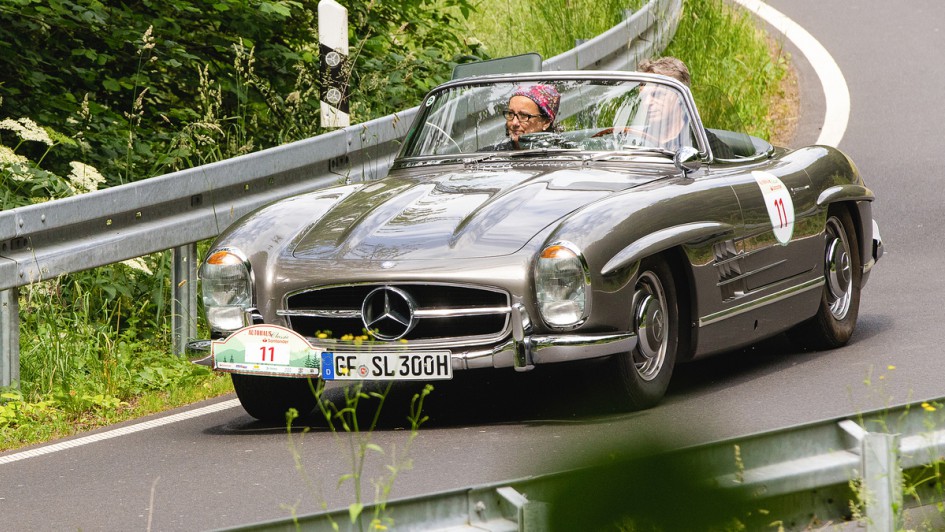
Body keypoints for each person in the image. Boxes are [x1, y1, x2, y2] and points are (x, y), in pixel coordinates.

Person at [637, 57, 736, 159]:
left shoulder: (707, 146)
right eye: (643, 96)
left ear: (680, 98)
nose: (647, 102)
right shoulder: (635, 139)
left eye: (657, 94)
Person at [502, 84, 560, 149]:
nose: (514, 122)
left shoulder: (560, 153)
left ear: (546, 122)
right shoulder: (495, 152)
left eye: (523, 115)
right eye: (510, 114)